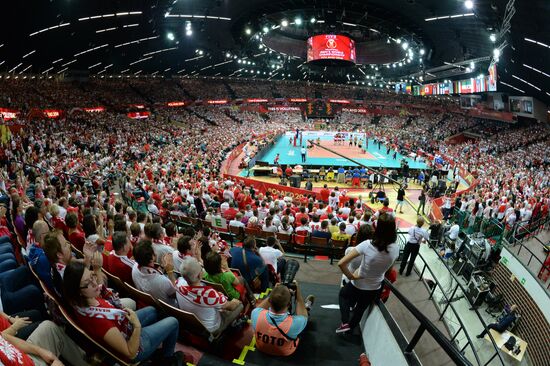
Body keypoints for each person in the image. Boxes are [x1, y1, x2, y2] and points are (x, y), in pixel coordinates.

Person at [63, 261, 183, 365]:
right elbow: (130, 353)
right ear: (78, 290)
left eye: (92, 276)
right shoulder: (101, 323)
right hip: (134, 347)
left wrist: (96, 269)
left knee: (152, 311)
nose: (94, 283)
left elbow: (101, 292)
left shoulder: (81, 301)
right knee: (174, 322)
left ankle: (155, 344)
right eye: (87, 283)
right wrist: (137, 326)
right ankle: (167, 359)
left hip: (123, 326)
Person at [336, 213, 399, 334]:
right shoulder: (395, 248)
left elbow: (341, 263)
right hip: (375, 286)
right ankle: (350, 328)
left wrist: (351, 276)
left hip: (358, 283)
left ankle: (345, 322)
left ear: (377, 228)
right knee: (360, 308)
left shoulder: (367, 244)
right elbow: (388, 268)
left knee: (343, 295)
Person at [176, 257, 243, 336]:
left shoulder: (178, 283)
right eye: (201, 269)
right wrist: (235, 301)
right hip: (212, 328)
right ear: (199, 275)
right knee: (239, 305)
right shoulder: (208, 294)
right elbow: (230, 307)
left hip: (194, 324)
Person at [251, 282, 314, 356]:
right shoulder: (295, 323)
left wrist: (275, 292)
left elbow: (260, 307)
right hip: (285, 352)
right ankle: (306, 308)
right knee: (304, 322)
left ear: (270, 301)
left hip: (261, 348)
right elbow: (303, 317)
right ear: (289, 304)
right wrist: (298, 295)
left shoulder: (256, 314)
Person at [0, 320, 88, 366]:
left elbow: (4, 337)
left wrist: (40, 351)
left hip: (25, 357)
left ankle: (84, 363)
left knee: (48, 327)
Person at [131, 239, 177, 306]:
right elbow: (177, 294)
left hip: (152, 300)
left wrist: (162, 267)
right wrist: (170, 272)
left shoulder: (134, 268)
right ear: (152, 257)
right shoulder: (162, 281)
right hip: (168, 309)